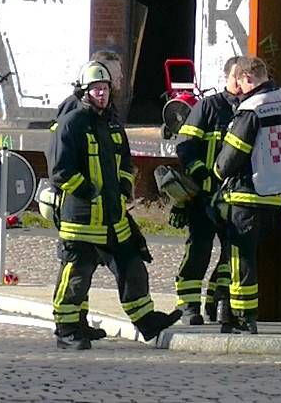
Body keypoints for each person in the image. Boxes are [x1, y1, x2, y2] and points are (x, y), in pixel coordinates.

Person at [47, 61, 174, 350]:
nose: (101, 95)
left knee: (132, 266)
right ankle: (67, 330)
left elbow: (126, 164)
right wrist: (90, 192)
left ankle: (147, 321)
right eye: (96, 90)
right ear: (85, 91)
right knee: (77, 275)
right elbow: (60, 172)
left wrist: (124, 190)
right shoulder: (72, 124)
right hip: (81, 219)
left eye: (104, 89)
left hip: (114, 218)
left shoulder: (113, 124)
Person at [211, 54, 281, 333]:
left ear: (248, 78)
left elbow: (232, 155)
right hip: (279, 192)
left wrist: (216, 172)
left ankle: (243, 315)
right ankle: (232, 311)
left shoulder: (253, 108)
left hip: (248, 192)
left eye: (240, 82)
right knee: (257, 256)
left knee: (242, 258)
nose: (238, 89)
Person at [167, 56, 241, 323]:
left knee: (231, 253)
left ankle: (217, 300)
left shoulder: (249, 109)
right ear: (226, 78)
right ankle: (188, 307)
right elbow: (185, 145)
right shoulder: (209, 107)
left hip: (234, 198)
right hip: (203, 196)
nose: (241, 83)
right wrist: (198, 170)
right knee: (198, 250)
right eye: (237, 77)